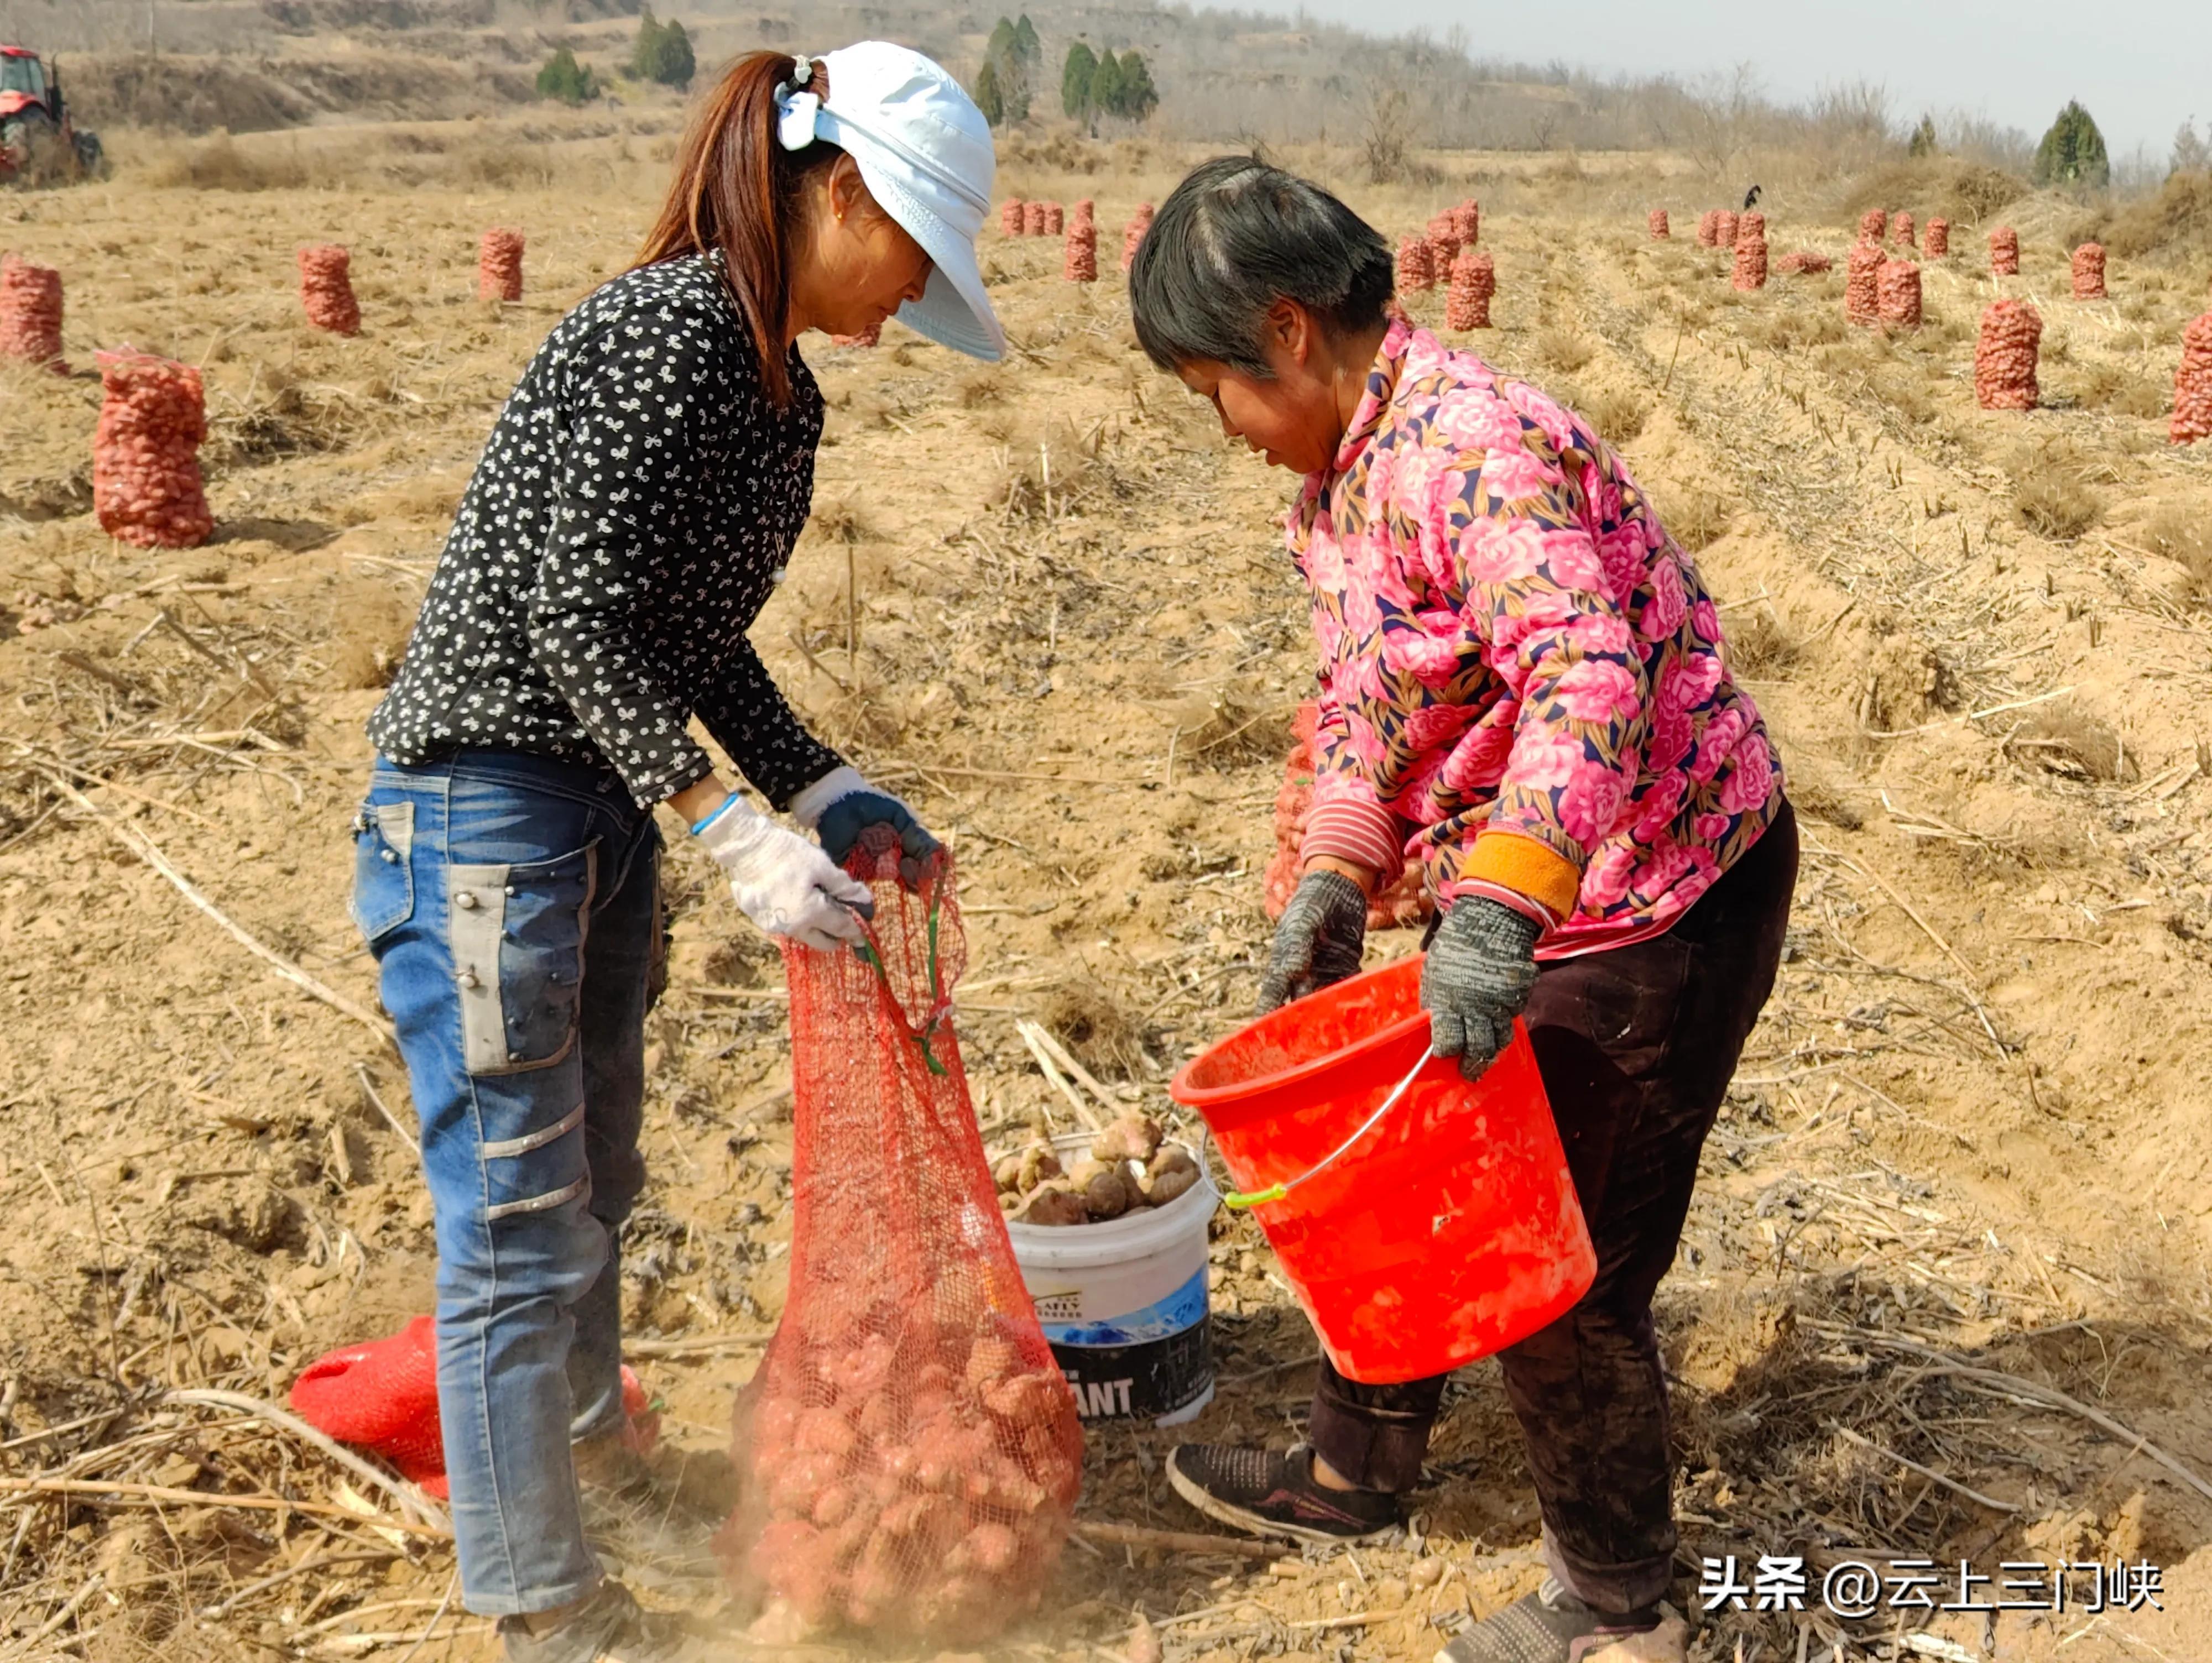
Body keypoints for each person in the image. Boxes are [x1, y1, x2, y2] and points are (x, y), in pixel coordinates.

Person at [351, 43, 1000, 1663]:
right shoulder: (669, 334)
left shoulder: (777, 388)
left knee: (600, 1179)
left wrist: (821, 781)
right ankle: (542, 1602)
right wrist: (721, 819)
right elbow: (572, 618)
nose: (911, 294)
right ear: (841, 190)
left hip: (592, 816)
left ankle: (584, 1469)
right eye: (913, 250)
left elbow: (689, 637)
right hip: (489, 811)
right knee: (514, 1218)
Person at [1129, 158, 1796, 1663]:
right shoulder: (1349, 477)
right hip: (1538, 877)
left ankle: (1620, 1610)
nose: (1221, 430)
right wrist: (1333, 871)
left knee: (1563, 1269)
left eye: (1210, 390)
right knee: (1407, 1161)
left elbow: (1587, 678)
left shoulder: (1472, 451)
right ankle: (1355, 1473)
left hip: (1656, 889)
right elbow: (1372, 694)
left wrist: (1493, 915)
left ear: (1287, 332)